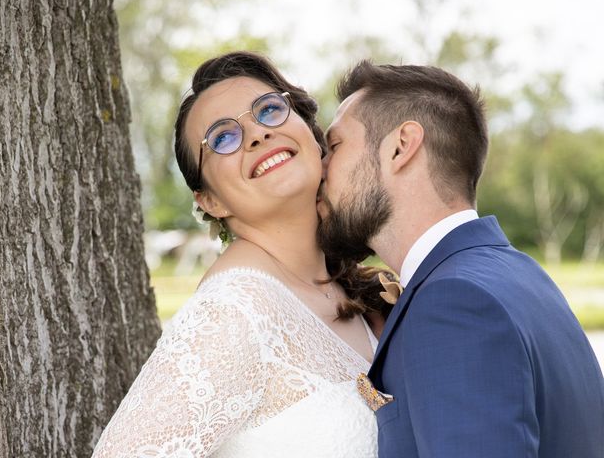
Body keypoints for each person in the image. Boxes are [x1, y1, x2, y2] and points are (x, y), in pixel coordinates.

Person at [91, 51, 393, 458]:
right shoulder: (231, 312)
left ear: (310, 132)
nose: (255, 134)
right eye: (222, 138)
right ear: (210, 200)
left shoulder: (350, 291)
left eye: (269, 109)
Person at [317, 60, 604, 457]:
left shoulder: (451, 303)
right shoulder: (521, 274)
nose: (321, 169)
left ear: (401, 146)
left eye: (334, 147)